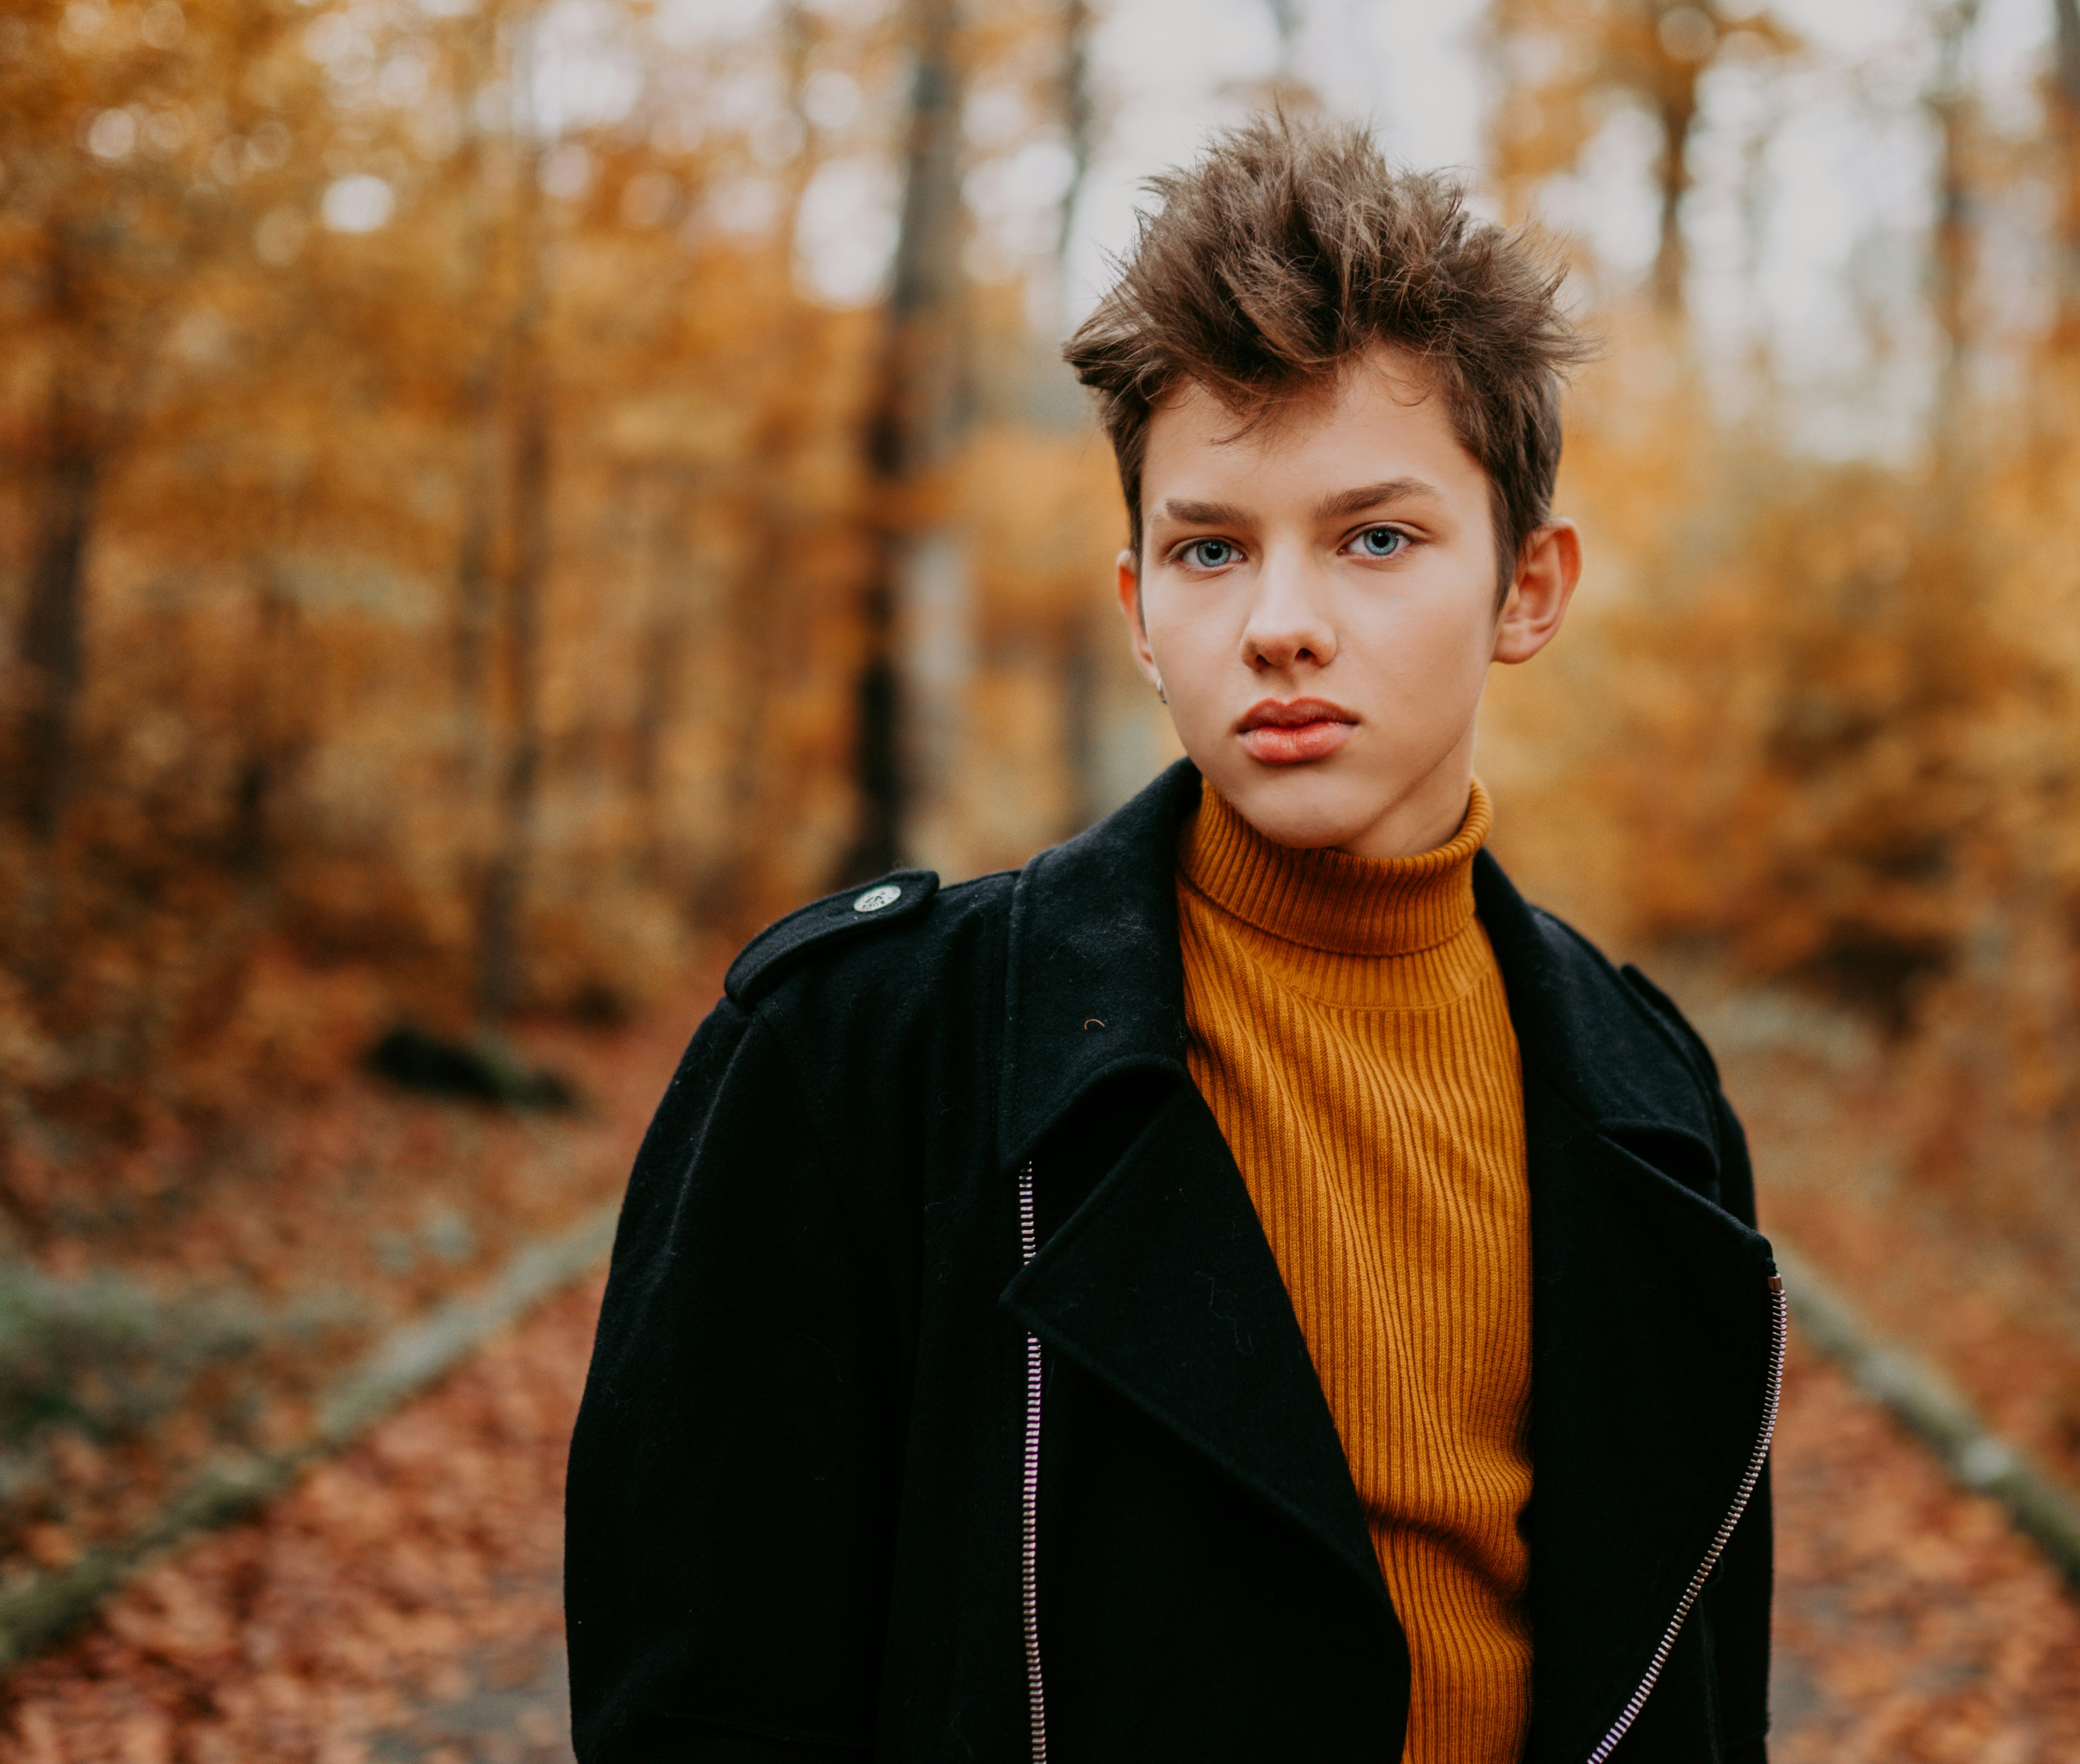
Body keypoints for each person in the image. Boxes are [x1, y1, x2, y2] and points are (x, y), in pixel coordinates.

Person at [564, 116, 1785, 1764]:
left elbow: (1692, 1691)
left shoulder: (1653, 1106)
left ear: (1529, 589)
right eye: (1213, 547)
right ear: (1141, 608)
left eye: (1377, 537)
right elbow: (699, 1698)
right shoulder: (864, 1056)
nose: (1280, 620)